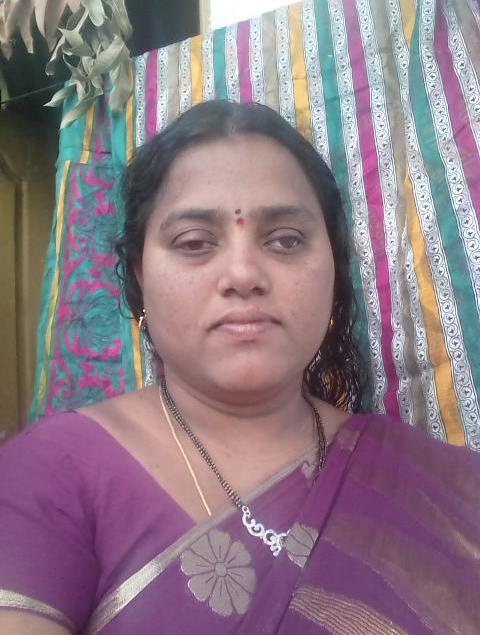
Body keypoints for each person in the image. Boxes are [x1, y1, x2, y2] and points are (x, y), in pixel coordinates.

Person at [0, 100, 479, 635]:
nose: (244, 274)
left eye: (286, 240)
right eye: (194, 243)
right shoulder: (48, 476)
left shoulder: (442, 492)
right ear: (139, 277)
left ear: (334, 269)